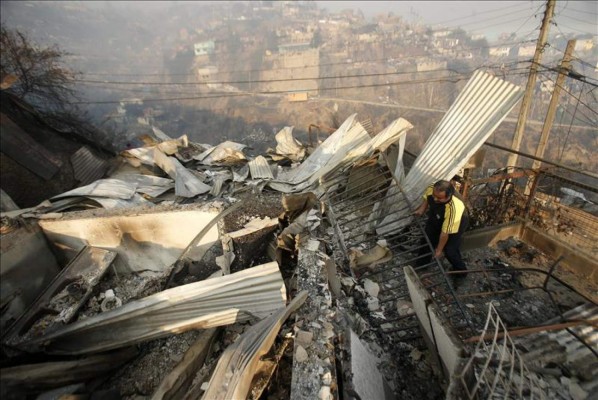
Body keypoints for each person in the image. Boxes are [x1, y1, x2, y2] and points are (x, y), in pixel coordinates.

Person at [413, 180, 469, 275]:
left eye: (439, 198)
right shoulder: (433, 188)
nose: (435, 199)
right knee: (427, 238)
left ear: (449, 195)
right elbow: (428, 197)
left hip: (456, 222)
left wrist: (439, 250)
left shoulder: (454, 208)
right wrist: (422, 209)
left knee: (449, 250)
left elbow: (444, 233)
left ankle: (461, 272)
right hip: (438, 215)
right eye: (434, 195)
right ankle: (421, 266)